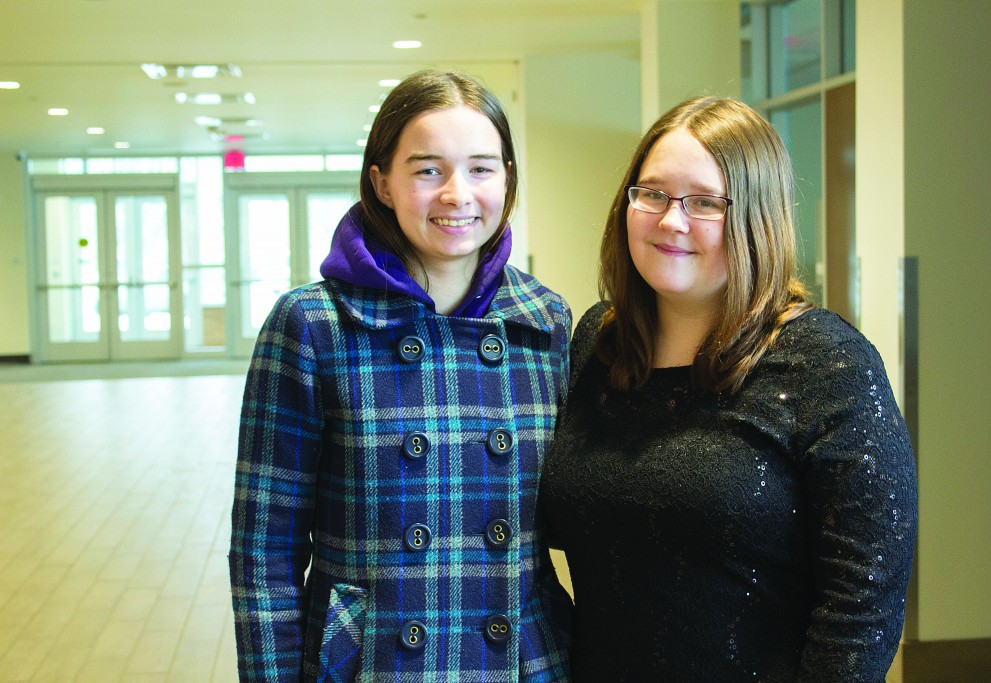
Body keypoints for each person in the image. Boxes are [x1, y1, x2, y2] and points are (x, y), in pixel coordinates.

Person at [539, 96, 917, 682]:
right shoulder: (599, 341)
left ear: (757, 218)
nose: (671, 219)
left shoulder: (825, 363)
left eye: (706, 202)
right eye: (654, 193)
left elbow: (860, 604)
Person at [230, 69, 573, 682]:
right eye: (427, 170)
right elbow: (265, 555)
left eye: (481, 168)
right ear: (381, 183)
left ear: (508, 180)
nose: (457, 194)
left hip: (523, 661)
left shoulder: (544, 323)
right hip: (374, 662)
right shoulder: (312, 326)